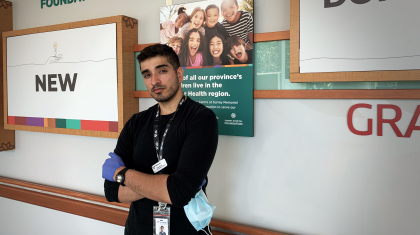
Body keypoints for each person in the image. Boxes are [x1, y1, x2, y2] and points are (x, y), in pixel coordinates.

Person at [102, 44, 218, 235]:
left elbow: (179, 194)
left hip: (185, 230)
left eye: (162, 70)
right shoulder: (136, 123)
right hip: (137, 230)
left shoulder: (201, 119)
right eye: (147, 75)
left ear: (179, 74)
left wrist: (122, 174)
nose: (154, 80)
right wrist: (169, 185)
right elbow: (112, 192)